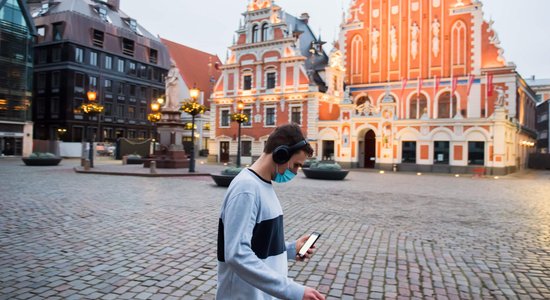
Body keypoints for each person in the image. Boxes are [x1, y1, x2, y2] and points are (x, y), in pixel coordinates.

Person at [217, 124, 325, 300]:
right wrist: (293, 290)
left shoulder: (263, 185)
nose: (296, 172)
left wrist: (290, 249)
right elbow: (236, 254)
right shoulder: (247, 188)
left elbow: (260, 244)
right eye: (296, 165)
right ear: (280, 154)